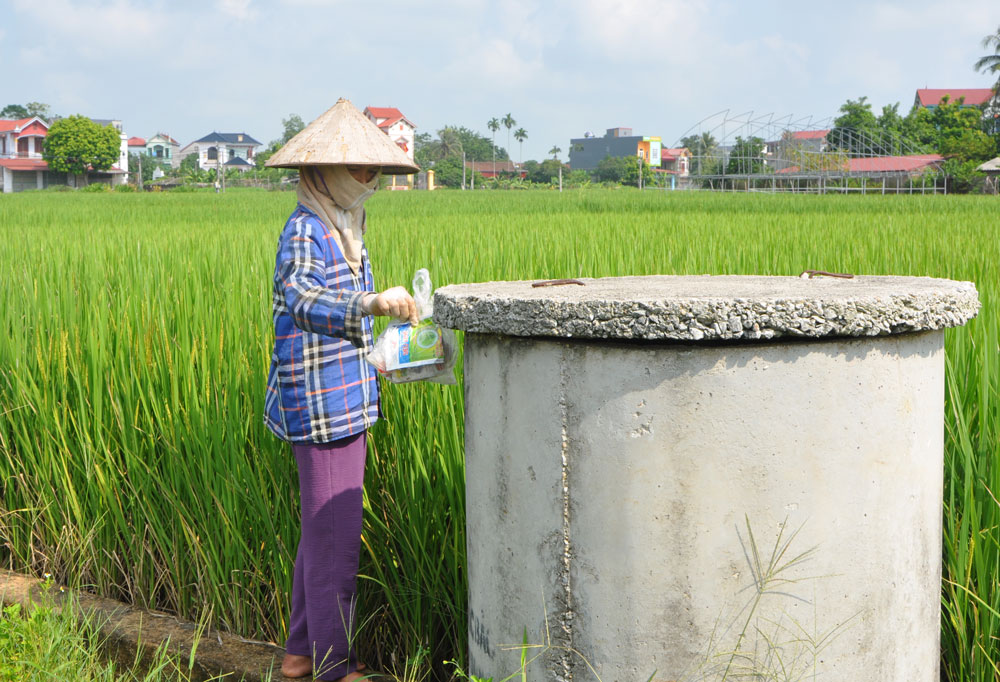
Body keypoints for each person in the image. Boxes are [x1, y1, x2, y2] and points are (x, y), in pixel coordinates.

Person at [263, 99, 420, 682]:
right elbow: (302, 299)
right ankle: (333, 667)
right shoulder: (307, 229)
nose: (367, 178)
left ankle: (301, 654)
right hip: (320, 405)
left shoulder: (346, 227)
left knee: (322, 531)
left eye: (372, 168)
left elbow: (348, 316)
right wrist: (370, 303)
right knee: (336, 542)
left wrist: (383, 347)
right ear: (322, 171)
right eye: (354, 168)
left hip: (347, 395)